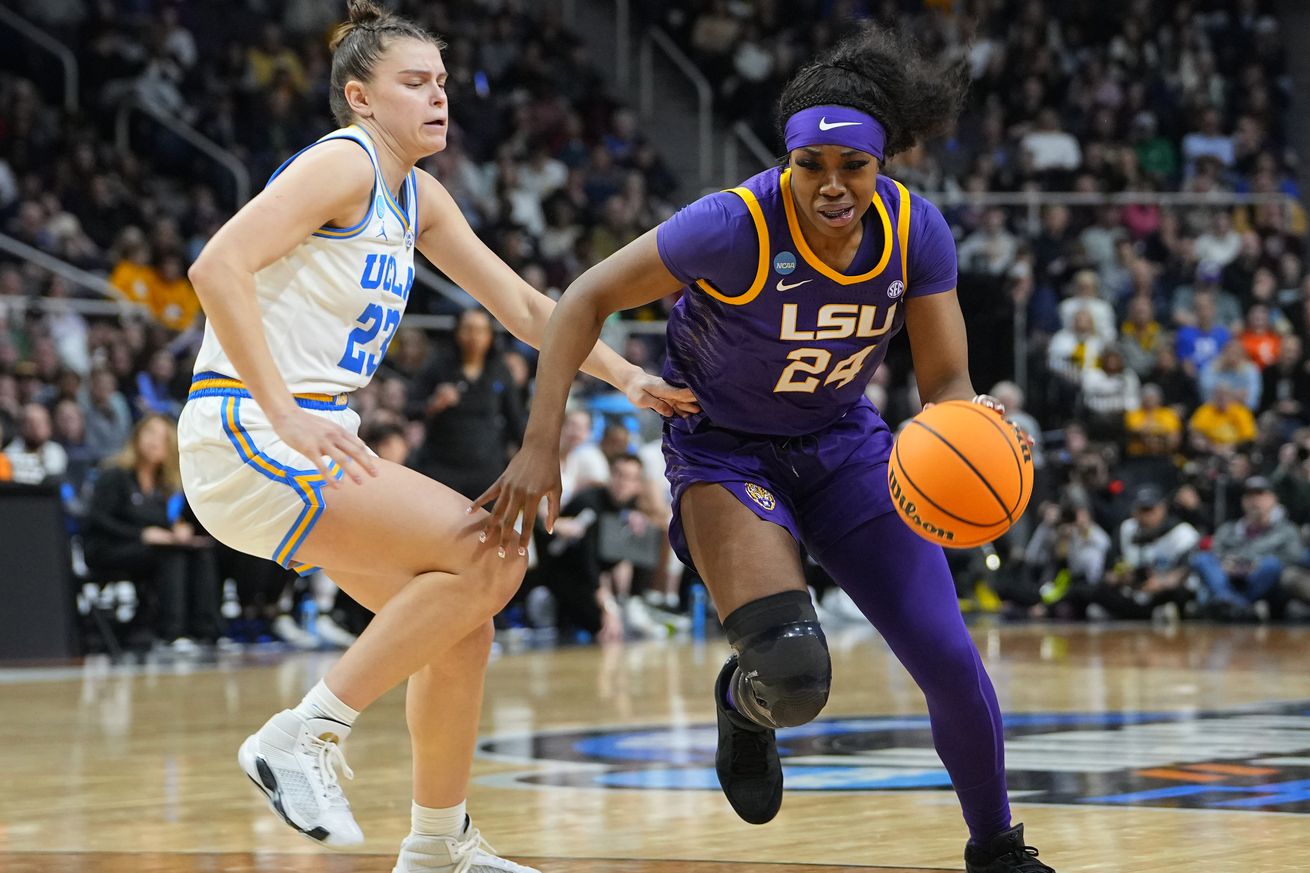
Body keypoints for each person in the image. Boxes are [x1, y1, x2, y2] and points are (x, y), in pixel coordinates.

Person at [480, 26, 1056, 873]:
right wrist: (540, 444)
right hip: (722, 451)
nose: (830, 187)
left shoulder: (915, 232)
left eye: (852, 168)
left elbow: (947, 384)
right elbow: (584, 298)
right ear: (785, 161)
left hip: (844, 446)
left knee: (947, 656)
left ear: (882, 163)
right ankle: (746, 705)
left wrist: (970, 454)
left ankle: (997, 851)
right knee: (794, 674)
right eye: (810, 167)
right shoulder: (731, 225)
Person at [177, 3, 694, 871]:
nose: (438, 97)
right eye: (414, 83)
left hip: (302, 438)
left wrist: (629, 376)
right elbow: (213, 265)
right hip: (252, 426)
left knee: (466, 624)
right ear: (360, 97)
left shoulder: (418, 195)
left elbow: (530, 309)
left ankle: (436, 846)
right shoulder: (344, 164)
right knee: (496, 552)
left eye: (443, 81)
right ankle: (300, 736)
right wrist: (285, 410)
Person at [82, 414, 222, 651]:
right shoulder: (115, 475)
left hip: (148, 547)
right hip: (107, 547)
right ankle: (171, 633)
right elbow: (98, 519)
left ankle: (207, 632)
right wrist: (140, 534)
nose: (154, 441)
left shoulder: (165, 484)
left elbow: (170, 520)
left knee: (200, 553)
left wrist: (180, 527)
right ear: (136, 438)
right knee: (171, 555)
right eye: (149, 433)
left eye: (162, 437)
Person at [410, 307, 526, 499]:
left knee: (484, 527)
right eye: (468, 329)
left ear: (490, 335)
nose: (474, 337)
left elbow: (516, 420)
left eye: (480, 330)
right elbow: (410, 408)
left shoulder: (499, 370)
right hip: (441, 466)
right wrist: (433, 404)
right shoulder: (438, 365)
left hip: (487, 469)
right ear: (457, 332)